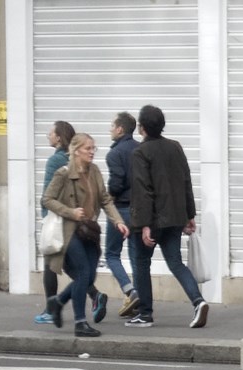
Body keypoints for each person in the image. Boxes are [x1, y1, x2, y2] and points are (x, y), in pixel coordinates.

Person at [123, 103, 209, 328]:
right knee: (176, 263)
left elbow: (143, 190)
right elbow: (186, 180)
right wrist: (189, 214)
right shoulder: (175, 147)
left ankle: (145, 313)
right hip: (175, 217)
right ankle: (198, 301)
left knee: (141, 263)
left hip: (152, 220)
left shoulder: (140, 153)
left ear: (141, 128)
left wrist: (144, 225)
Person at [36, 132, 115, 339]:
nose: (92, 152)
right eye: (88, 148)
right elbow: (47, 199)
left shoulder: (95, 171)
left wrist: (119, 221)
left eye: (93, 148)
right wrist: (70, 212)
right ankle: (80, 322)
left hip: (89, 230)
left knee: (89, 276)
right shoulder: (63, 173)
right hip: (69, 231)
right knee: (82, 273)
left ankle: (58, 301)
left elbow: (105, 199)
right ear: (76, 150)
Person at [101, 112, 140, 320]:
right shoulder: (140, 149)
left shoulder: (114, 154)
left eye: (112, 126)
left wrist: (109, 198)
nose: (110, 130)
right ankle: (141, 296)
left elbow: (116, 183)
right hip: (139, 210)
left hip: (121, 209)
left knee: (112, 254)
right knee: (136, 256)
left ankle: (130, 291)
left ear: (120, 129)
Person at [37, 119, 73, 318]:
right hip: (72, 215)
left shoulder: (55, 160)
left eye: (51, 133)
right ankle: (95, 295)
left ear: (59, 138)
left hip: (56, 217)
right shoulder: (73, 158)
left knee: (50, 263)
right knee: (70, 264)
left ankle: (50, 310)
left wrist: (45, 216)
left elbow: (47, 195)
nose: (48, 136)